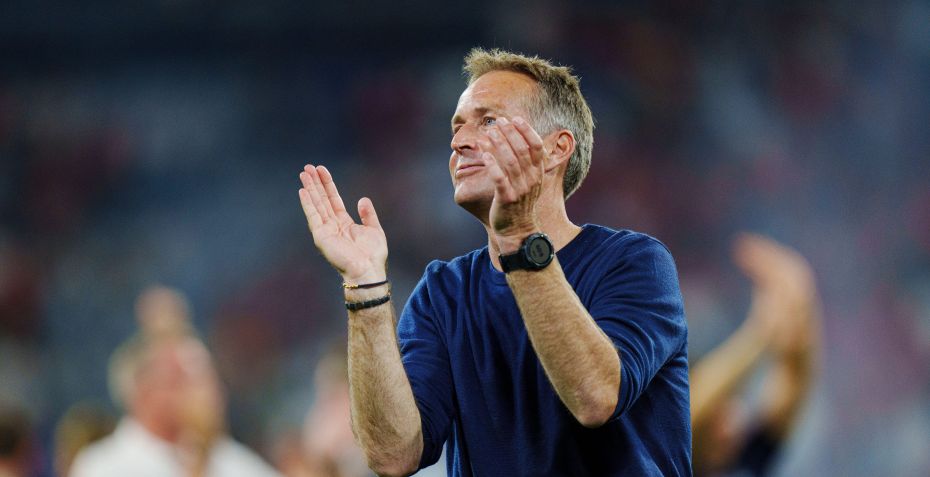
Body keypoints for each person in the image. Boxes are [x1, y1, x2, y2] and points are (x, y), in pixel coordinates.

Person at [297, 48, 690, 476]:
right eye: (457, 127)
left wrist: (519, 235)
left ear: (556, 149)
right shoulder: (443, 292)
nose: (458, 142)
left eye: (488, 121)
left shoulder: (635, 263)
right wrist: (366, 285)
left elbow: (595, 397)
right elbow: (393, 455)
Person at [70, 286, 281, 477]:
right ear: (144, 391)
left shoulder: (229, 460)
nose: (204, 393)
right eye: (182, 379)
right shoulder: (104, 466)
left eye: (206, 378)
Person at [689, 234, 821, 476]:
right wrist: (760, 332)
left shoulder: (747, 459)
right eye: (718, 409)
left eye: (731, 401)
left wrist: (801, 301)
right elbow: (694, 406)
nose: (732, 414)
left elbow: (794, 380)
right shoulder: (676, 462)